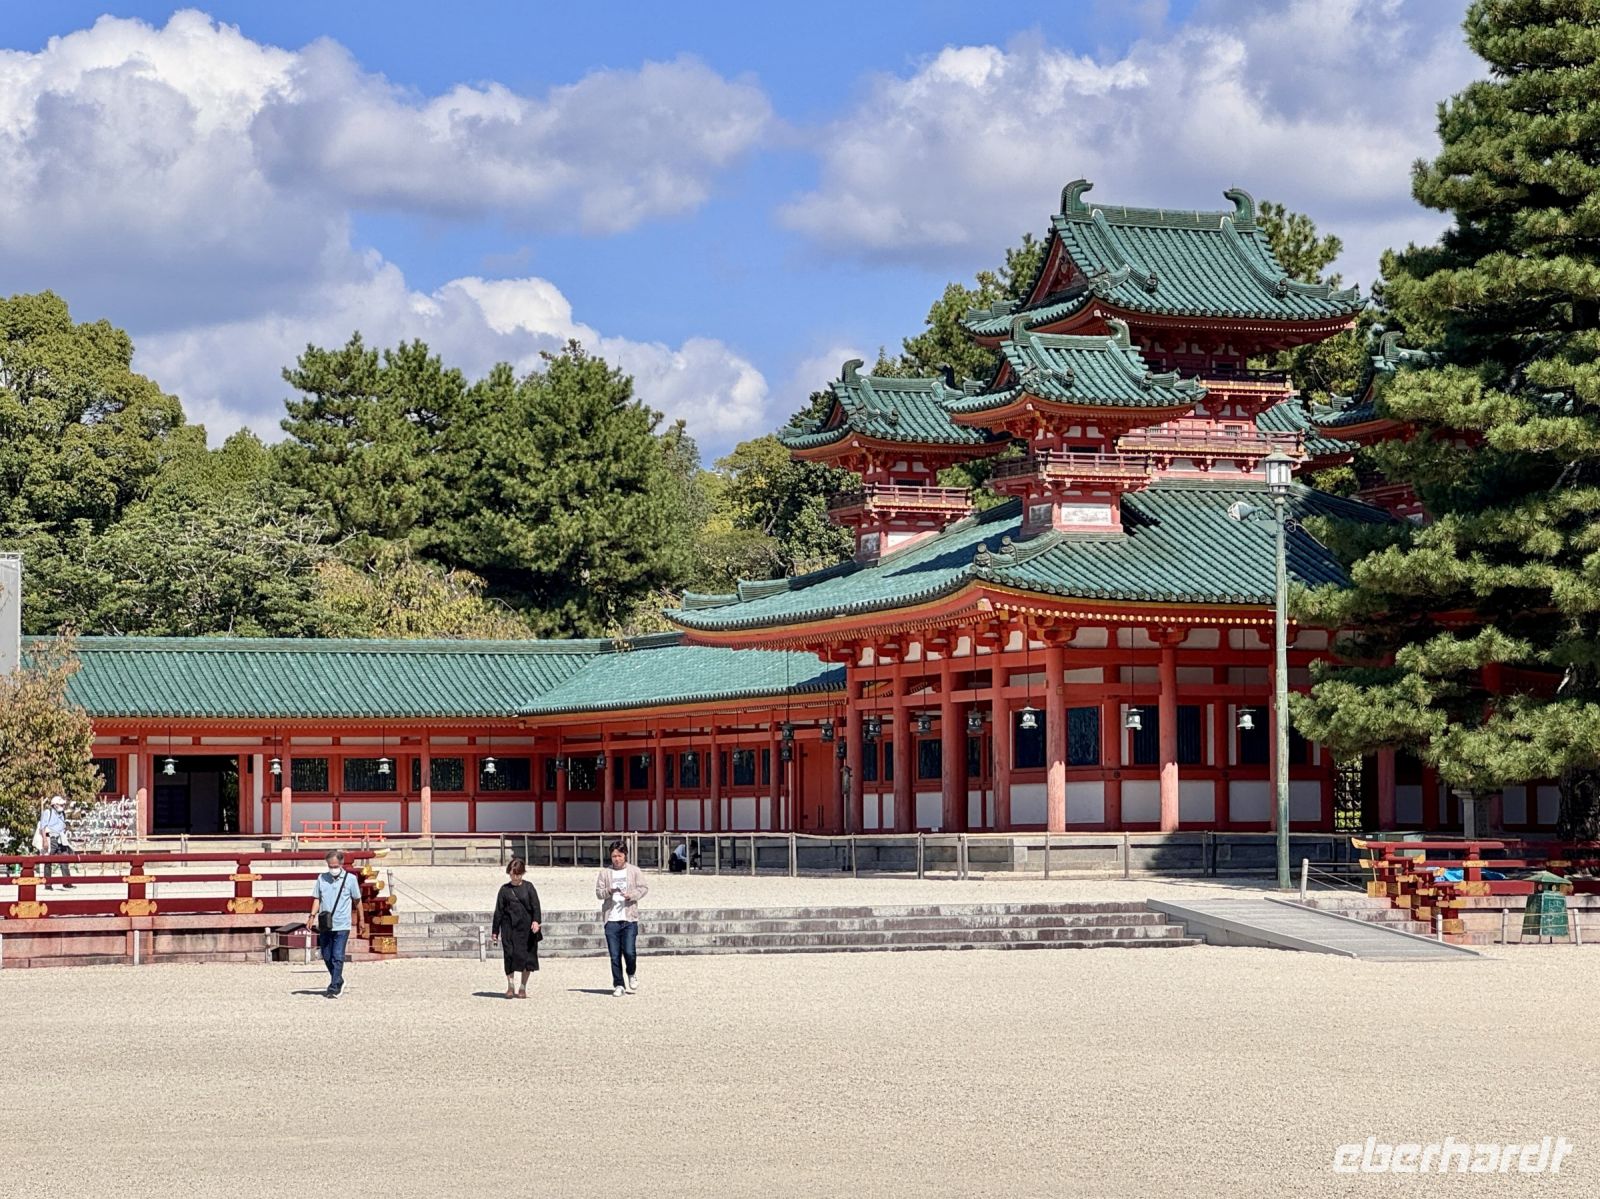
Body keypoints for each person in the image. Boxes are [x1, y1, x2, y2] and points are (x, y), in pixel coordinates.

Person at [308, 850, 366, 999]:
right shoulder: (322, 878)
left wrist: (361, 919)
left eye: (335, 866)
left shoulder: (350, 880)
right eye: (330, 866)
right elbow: (317, 898)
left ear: (341, 864)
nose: (333, 869)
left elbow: (357, 901)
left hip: (342, 924)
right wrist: (311, 916)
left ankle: (334, 987)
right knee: (326, 955)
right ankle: (339, 979)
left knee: (337, 955)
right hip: (325, 924)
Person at [595, 840, 648, 997]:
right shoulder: (605, 873)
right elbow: (598, 893)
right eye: (614, 856)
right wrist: (609, 891)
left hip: (629, 918)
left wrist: (631, 895)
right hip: (611, 919)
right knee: (615, 955)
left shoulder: (634, 871)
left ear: (625, 855)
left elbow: (643, 888)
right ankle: (618, 984)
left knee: (630, 951)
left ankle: (631, 972)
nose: (616, 859)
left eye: (619, 856)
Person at [491, 858, 542, 999]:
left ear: (522, 873)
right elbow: (498, 911)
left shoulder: (529, 887)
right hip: (508, 927)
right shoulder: (504, 890)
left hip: (526, 928)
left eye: (517, 874)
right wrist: (495, 931)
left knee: (527, 957)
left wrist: (536, 921)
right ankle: (510, 985)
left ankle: (523, 987)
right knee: (509, 955)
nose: (514, 877)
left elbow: (536, 906)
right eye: (512, 874)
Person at [36, 796, 75, 889]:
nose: (63, 806)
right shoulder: (48, 812)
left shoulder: (62, 814)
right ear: (55, 805)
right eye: (61, 805)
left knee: (64, 859)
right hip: (51, 838)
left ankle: (67, 882)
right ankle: (48, 884)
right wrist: (45, 841)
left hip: (61, 839)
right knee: (48, 861)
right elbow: (43, 827)